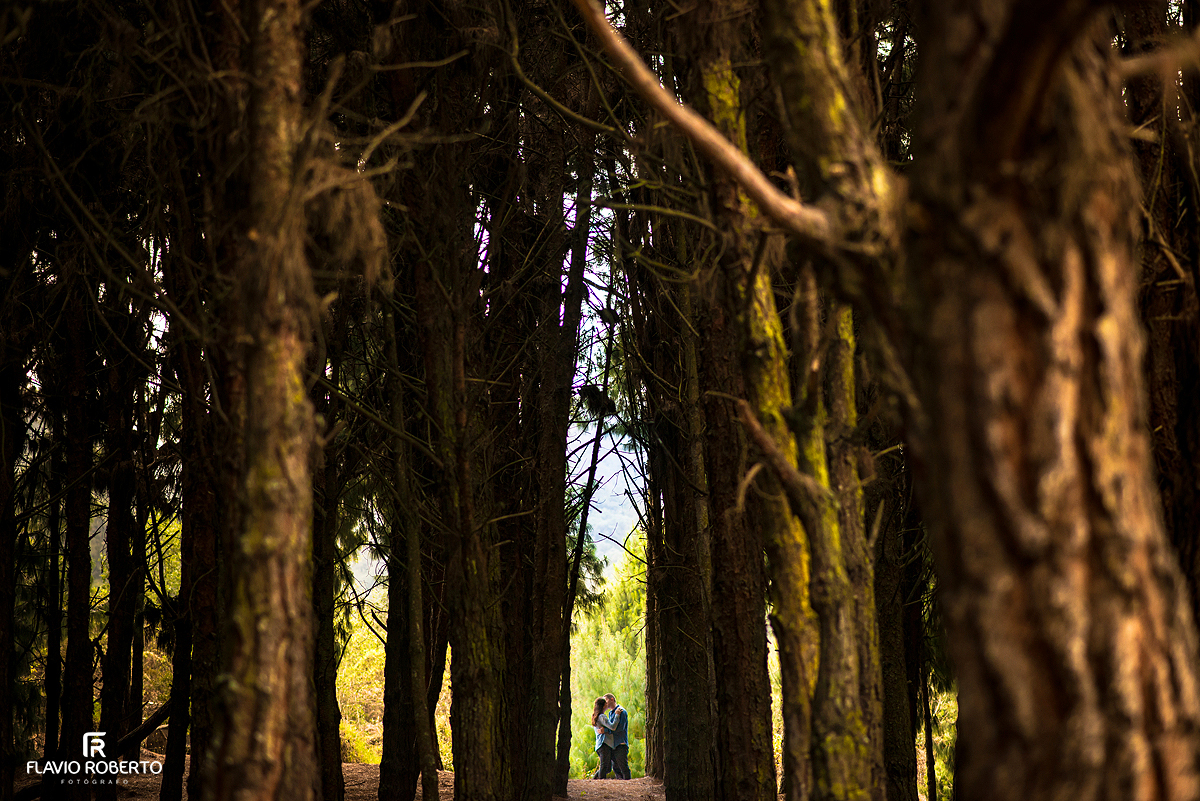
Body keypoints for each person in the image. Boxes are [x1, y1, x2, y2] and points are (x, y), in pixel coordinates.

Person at [604, 693, 631, 780]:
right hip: (613, 744)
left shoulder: (621, 711)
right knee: (616, 768)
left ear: (612, 699)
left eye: (606, 700)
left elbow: (620, 728)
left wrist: (606, 731)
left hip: (620, 744)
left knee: (623, 766)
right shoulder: (611, 713)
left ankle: (628, 784)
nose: (605, 703)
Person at [591, 696, 616, 779]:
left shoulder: (595, 716)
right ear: (604, 705)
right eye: (606, 703)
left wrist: (605, 730)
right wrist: (617, 716)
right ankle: (601, 783)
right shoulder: (602, 717)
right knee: (604, 766)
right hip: (604, 744)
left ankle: (594, 780)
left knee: (608, 767)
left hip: (599, 745)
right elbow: (612, 727)